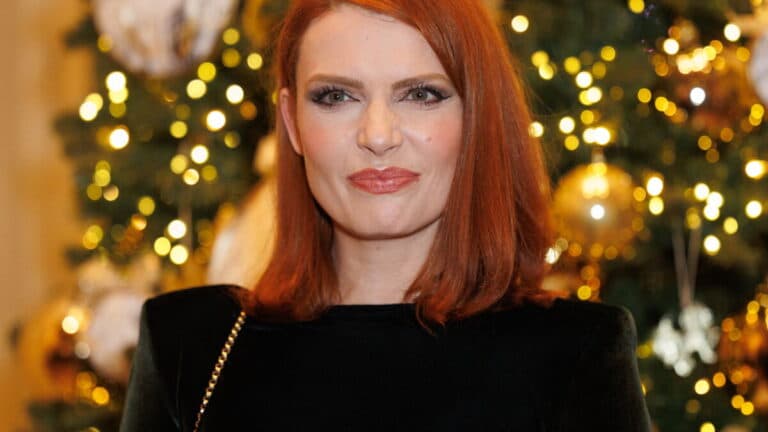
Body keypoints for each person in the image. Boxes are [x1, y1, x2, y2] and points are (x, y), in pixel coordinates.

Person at [119, 0, 652, 430]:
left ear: (477, 117)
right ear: (292, 122)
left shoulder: (575, 353)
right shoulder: (189, 346)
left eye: (421, 94)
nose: (377, 135)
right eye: (336, 96)